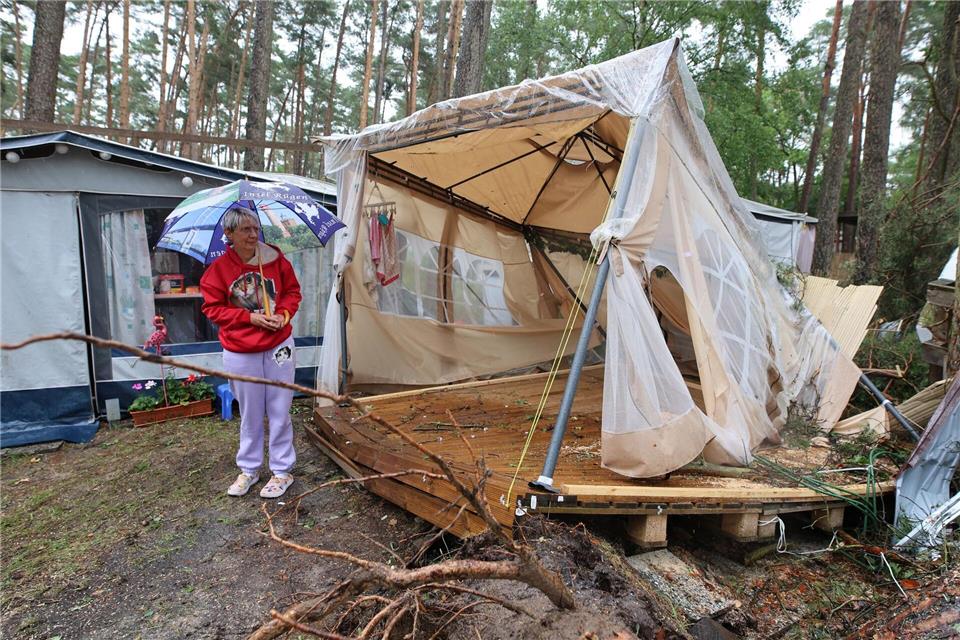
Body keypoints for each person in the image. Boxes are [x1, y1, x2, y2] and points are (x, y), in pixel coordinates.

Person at [200, 206, 302, 498]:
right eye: (245, 229)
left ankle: (282, 471)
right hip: (240, 349)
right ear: (229, 234)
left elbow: (293, 292)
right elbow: (212, 308)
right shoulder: (218, 271)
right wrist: (249, 318)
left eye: (256, 228)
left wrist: (282, 314)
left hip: (279, 345)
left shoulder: (274, 259)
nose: (253, 234)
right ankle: (250, 469)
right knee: (250, 412)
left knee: (280, 409)